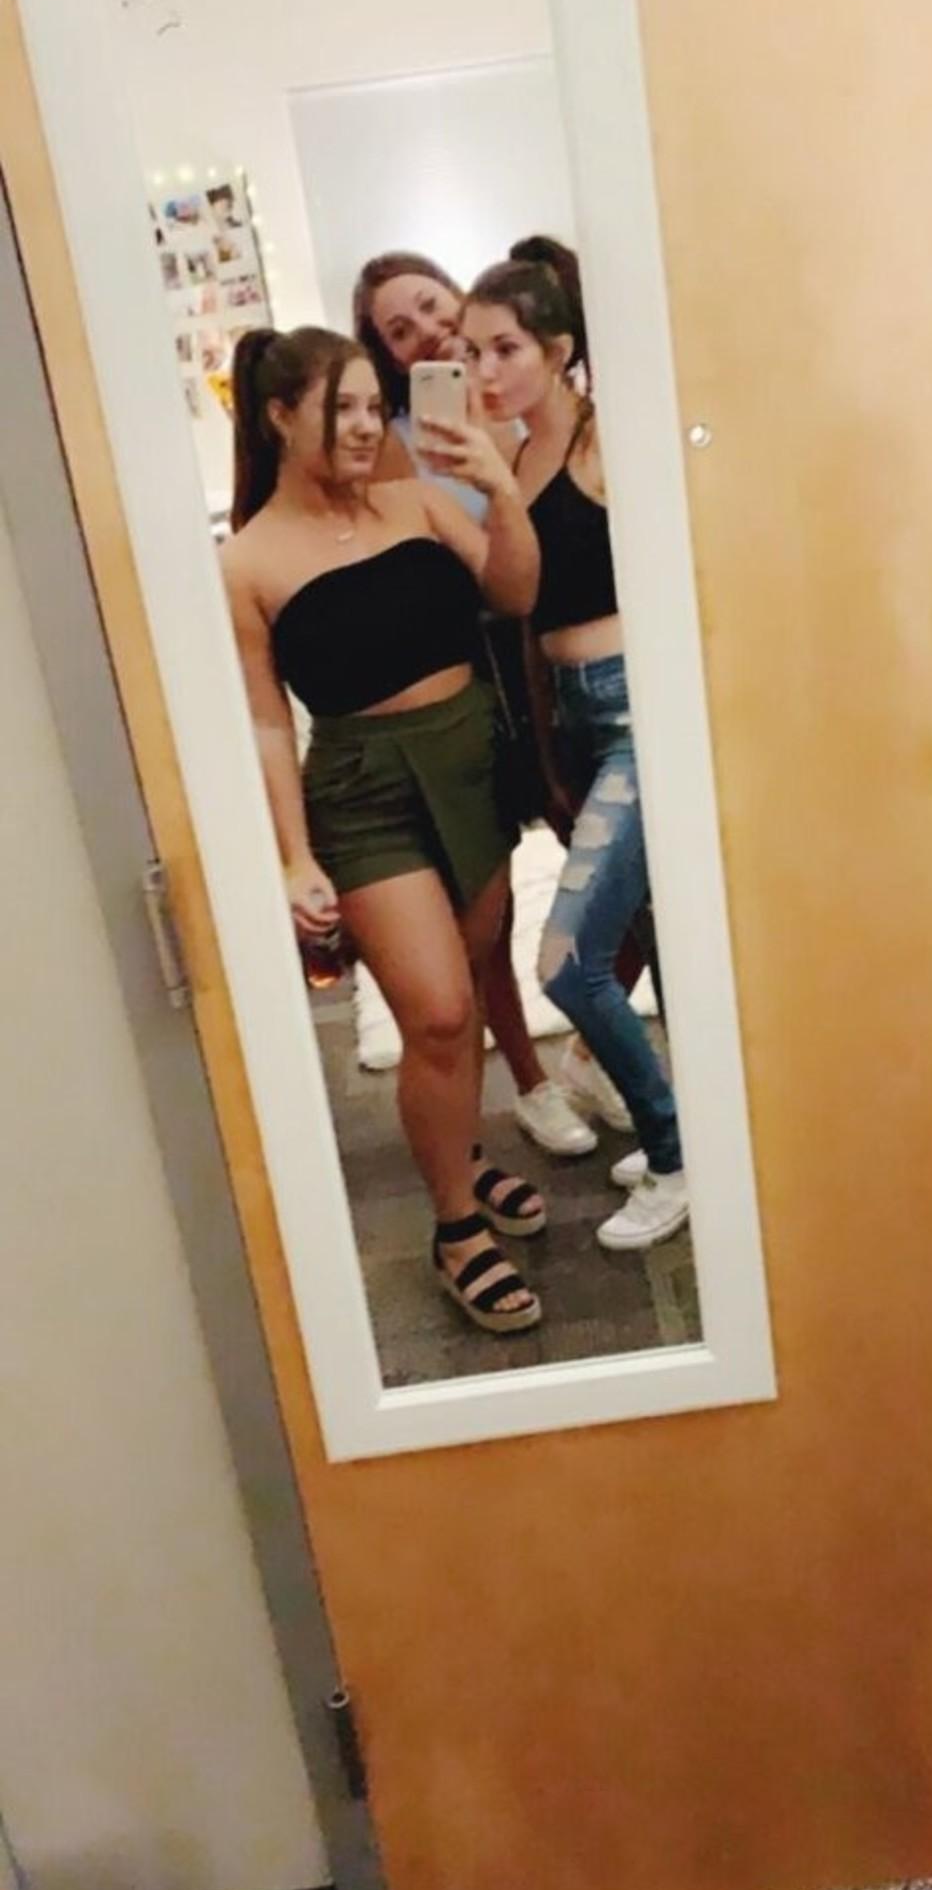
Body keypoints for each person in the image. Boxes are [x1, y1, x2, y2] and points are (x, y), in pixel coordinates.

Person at [219, 324, 546, 1332]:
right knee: (439, 1013)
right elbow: (268, 721)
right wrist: (293, 855)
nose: (367, 426)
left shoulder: (414, 502)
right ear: (279, 417)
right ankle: (456, 1227)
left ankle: (459, 1152)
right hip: (364, 793)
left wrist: (497, 487)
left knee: (471, 981)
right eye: (342, 408)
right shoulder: (246, 562)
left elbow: (516, 592)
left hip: (471, 762)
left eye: (374, 405)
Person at [353, 252, 636, 1157]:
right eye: (400, 330)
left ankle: (592, 1051)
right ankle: (532, 1081)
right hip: (476, 664)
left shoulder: (529, 410)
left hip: (556, 660)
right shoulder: (400, 440)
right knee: (494, 899)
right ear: (385, 352)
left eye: (433, 307)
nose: (428, 335)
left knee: (615, 876)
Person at [462, 240, 689, 1251]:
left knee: (567, 959)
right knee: (653, 932)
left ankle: (677, 1153)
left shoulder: (606, 437)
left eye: (505, 348)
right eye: (471, 352)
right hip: (577, 716)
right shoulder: (516, 461)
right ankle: (690, 1129)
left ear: (558, 349)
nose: (485, 371)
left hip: (640, 708)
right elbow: (519, 613)